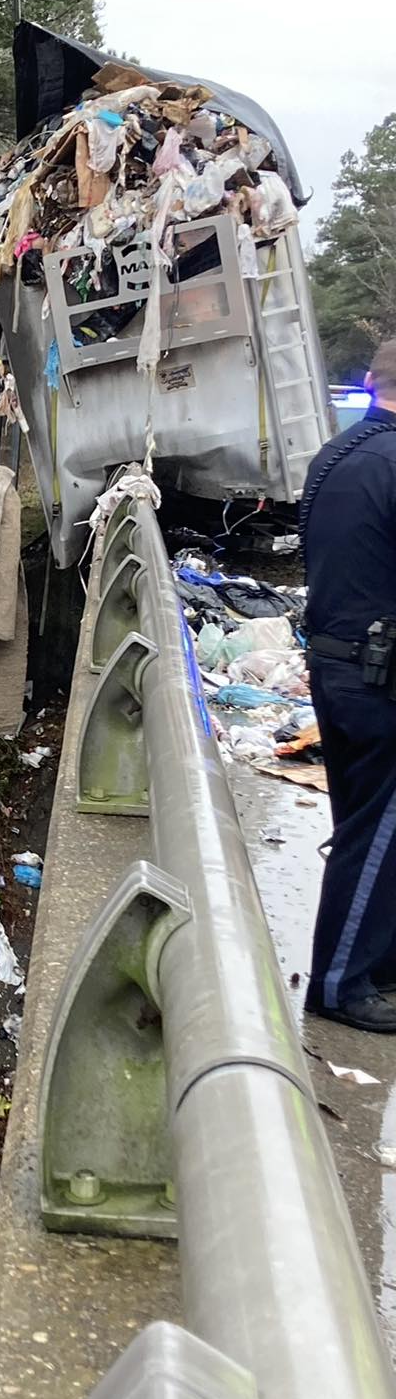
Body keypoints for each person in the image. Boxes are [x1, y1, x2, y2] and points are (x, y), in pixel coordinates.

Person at [301, 340, 396, 1031]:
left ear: (368, 381)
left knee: (364, 825)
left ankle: (375, 963)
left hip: (336, 665)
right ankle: (340, 982)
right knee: (377, 832)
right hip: (378, 677)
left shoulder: (332, 458)